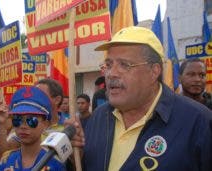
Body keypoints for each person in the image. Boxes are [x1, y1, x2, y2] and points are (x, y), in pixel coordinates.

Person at [68, 26, 212, 170]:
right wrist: (78, 156)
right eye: (109, 65)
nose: (111, 73)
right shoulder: (99, 116)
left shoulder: (198, 122)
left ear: (154, 71)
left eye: (124, 65)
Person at [0, 86, 65, 170]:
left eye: (31, 120)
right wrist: (1, 125)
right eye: (17, 120)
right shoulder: (6, 160)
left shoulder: (54, 163)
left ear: (45, 124)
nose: (23, 126)